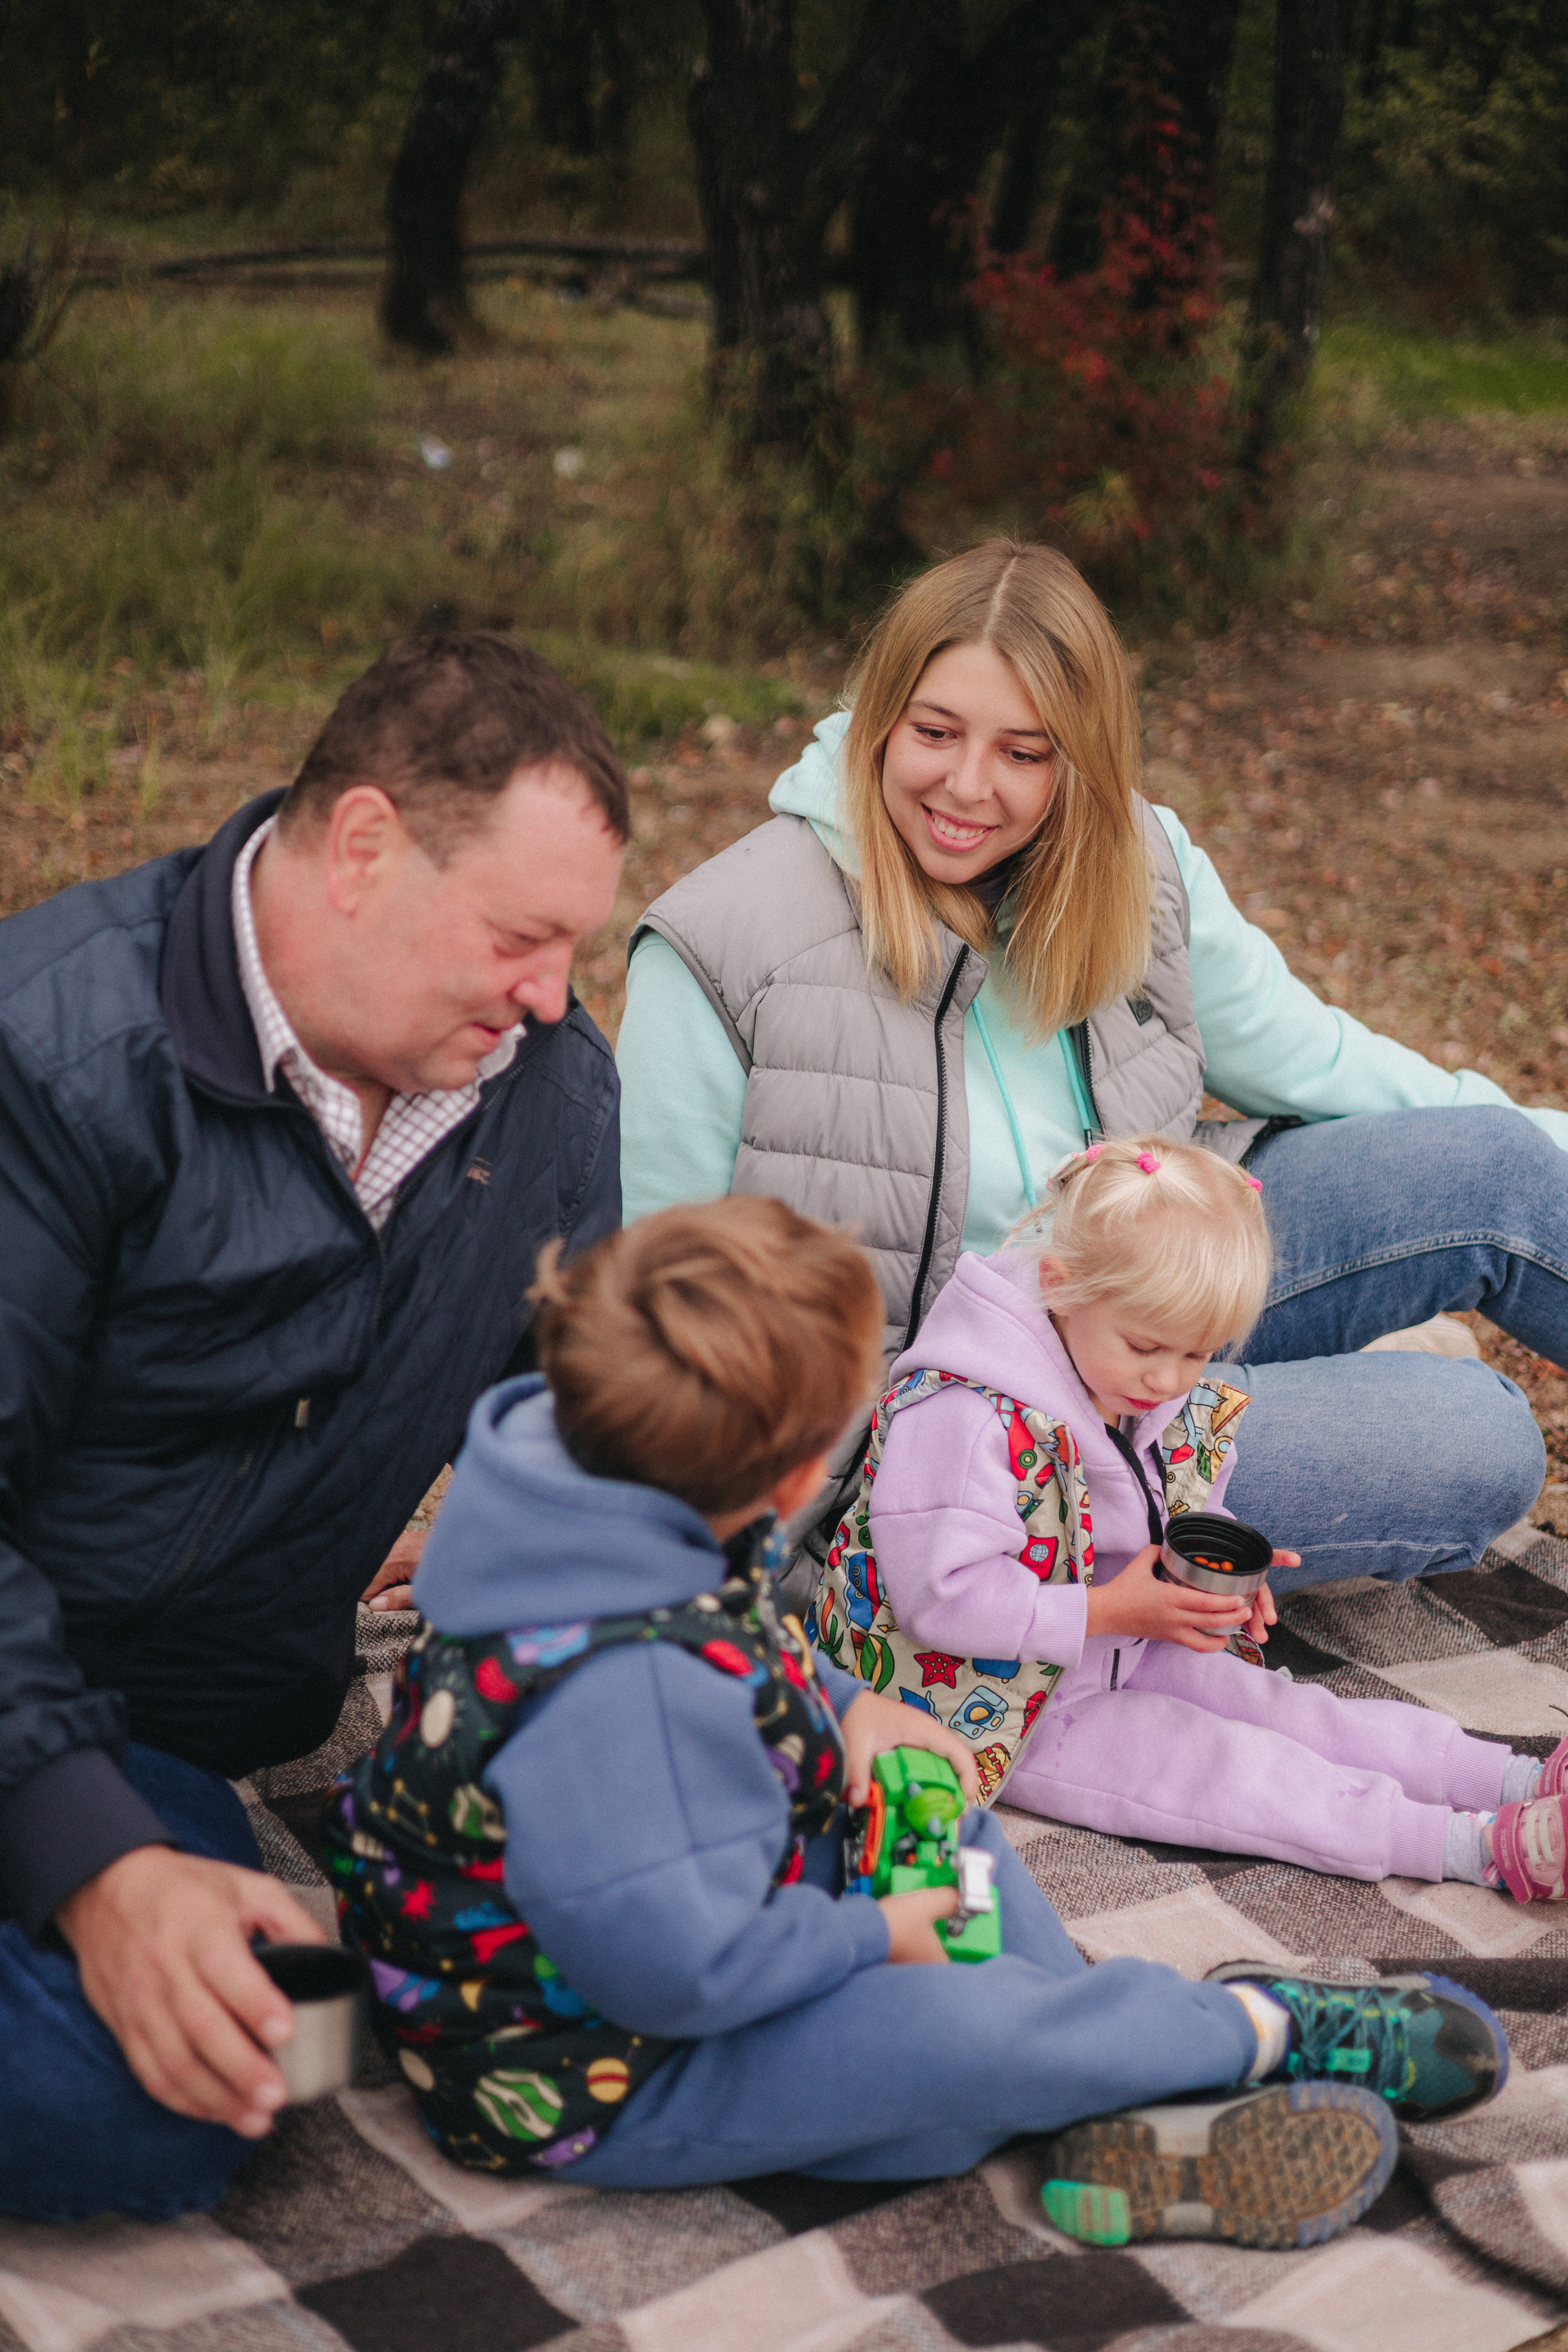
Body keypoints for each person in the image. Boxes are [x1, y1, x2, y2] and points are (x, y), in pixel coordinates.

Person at [327, 1196, 1509, 2249]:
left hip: (711, 1878)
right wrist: (867, 1941)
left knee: (948, 1835)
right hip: (607, 2066)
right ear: (791, 1479)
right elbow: (678, 1977)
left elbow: (741, 1643)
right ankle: (1246, 2029)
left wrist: (853, 1707)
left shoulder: (616, 1480)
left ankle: (1105, 2105)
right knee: (946, 2028)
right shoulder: (620, 1701)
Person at [616, 538, 1565, 1593]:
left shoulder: (1135, 858)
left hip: (1146, 1270)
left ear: (1082, 760)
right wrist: (569, 1522)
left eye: (1025, 753)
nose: (967, 786)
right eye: (934, 732)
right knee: (1478, 1434)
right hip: (966, 1445)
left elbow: (1319, 1060)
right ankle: (1277, 1400)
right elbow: (651, 1315)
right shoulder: (720, 944)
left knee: (1502, 1168)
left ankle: (1261, 1382)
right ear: (881, 715)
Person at [0, 633, 628, 2222]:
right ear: (363, 849)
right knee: (124, 2104)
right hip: (40, 1699)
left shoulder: (546, 1096)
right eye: (520, 938)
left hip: (161, 1729)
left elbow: (597, 1457)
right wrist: (98, 1868)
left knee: (265, 2051)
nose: (554, 997)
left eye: (575, 951)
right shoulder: (50, 1060)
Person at [812, 1133, 1568, 1901]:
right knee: (1221, 1773)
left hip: (1118, 1639)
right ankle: (1470, 1847)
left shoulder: (1129, 1368)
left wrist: (1218, 1576)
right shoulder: (966, 1419)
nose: (1169, 1380)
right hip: (993, 1707)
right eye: (1148, 1348)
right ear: (1060, 1285)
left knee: (1290, 1710)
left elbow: (1169, 1490)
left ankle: (1514, 1776)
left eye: (1199, 1356)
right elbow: (940, 1600)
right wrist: (1109, 1608)